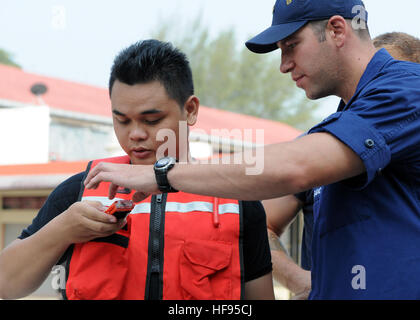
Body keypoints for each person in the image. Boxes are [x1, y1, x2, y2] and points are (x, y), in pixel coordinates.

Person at [81, 0, 420, 299]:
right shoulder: (344, 122)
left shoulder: (406, 88)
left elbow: (292, 168)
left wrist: (161, 174)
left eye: (291, 45)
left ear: (336, 30)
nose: (283, 64)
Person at [0, 40, 274, 300]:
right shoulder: (83, 189)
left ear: (190, 110)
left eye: (151, 120)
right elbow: (7, 283)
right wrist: (62, 230)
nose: (136, 134)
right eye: (122, 120)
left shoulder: (236, 202)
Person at [263, 30, 420, 300]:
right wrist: (299, 280)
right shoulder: (314, 150)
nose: (386, 99)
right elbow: (261, 225)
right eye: (378, 85)